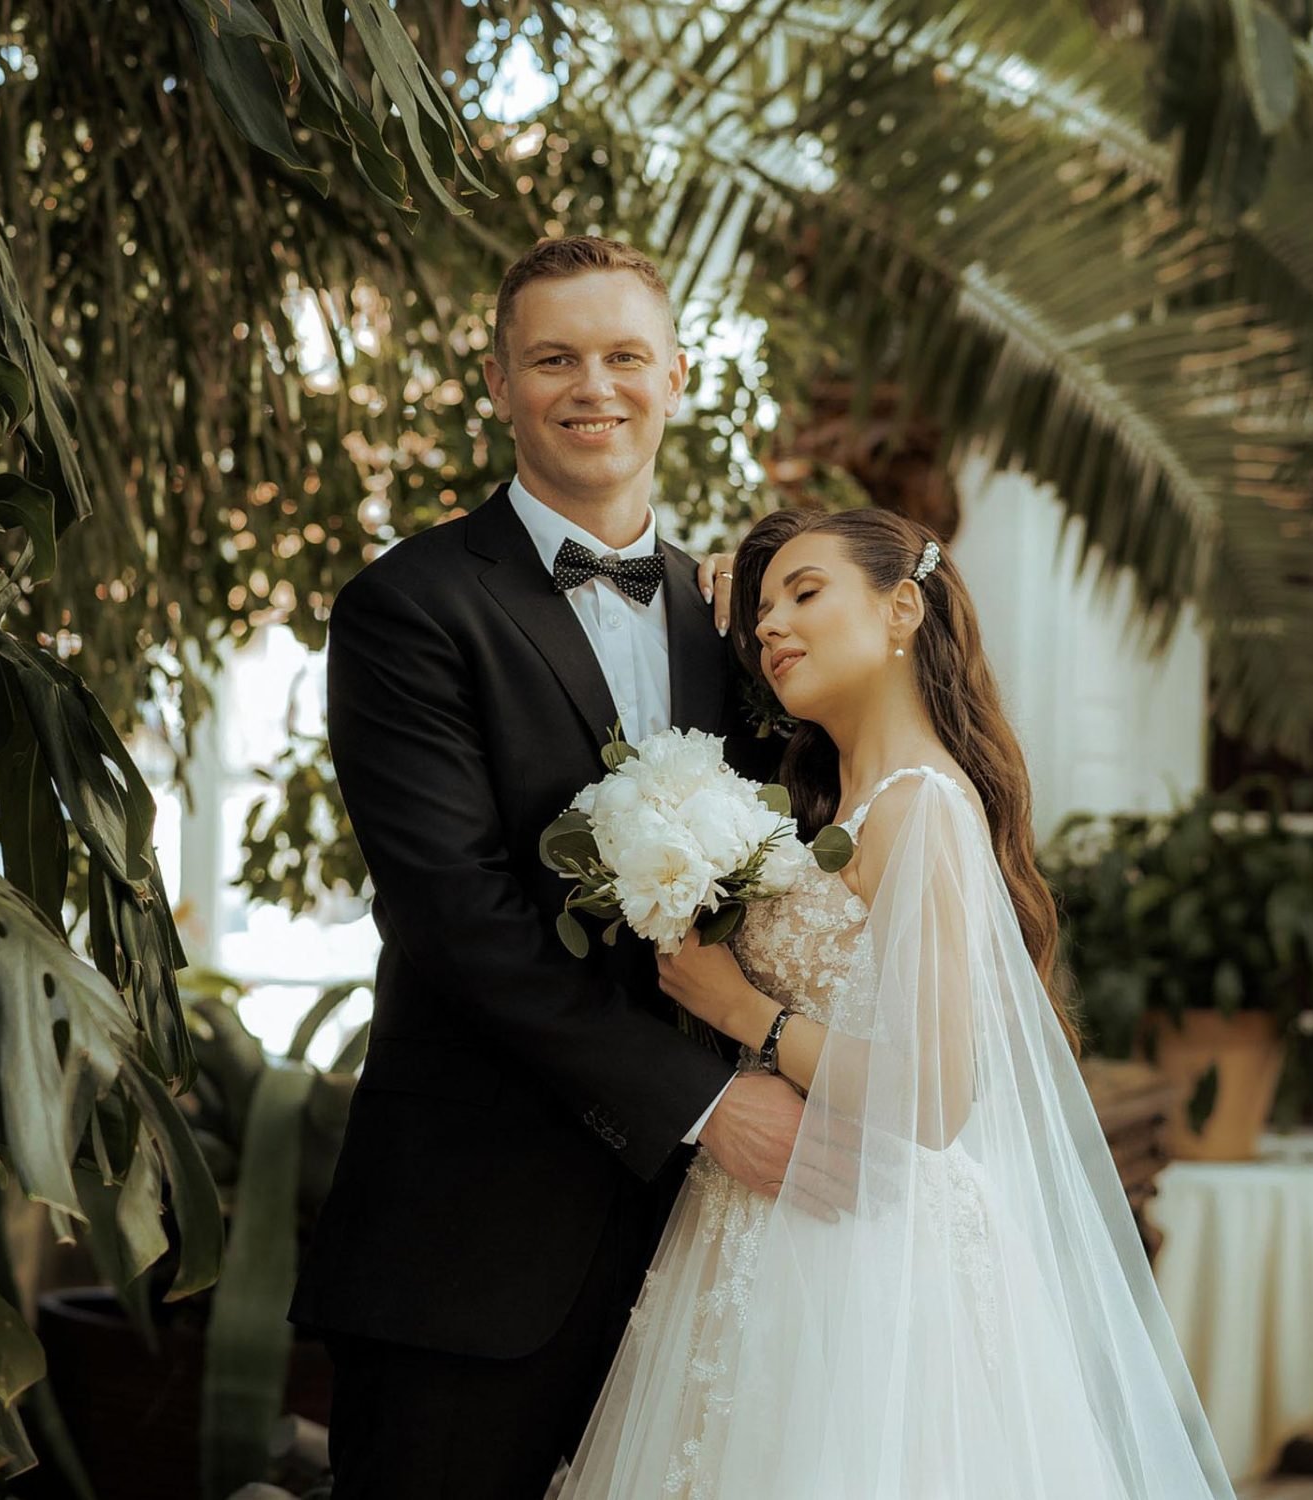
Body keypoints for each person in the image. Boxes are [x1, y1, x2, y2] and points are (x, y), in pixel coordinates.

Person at [558, 506, 1238, 1499]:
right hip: (762, 1218)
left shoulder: (923, 805)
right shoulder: (833, 807)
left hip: (867, 1250)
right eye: (760, 612)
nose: (771, 627)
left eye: (805, 593)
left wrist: (746, 1013)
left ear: (902, 608)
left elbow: (937, 1098)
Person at [288, 236, 789, 1498]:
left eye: (623, 355)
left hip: (706, 1257)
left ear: (677, 376)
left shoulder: (743, 620)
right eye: (554, 358)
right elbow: (457, 914)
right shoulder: (408, 606)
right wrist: (704, 1104)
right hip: (469, 1245)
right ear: (500, 383)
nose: (593, 387)